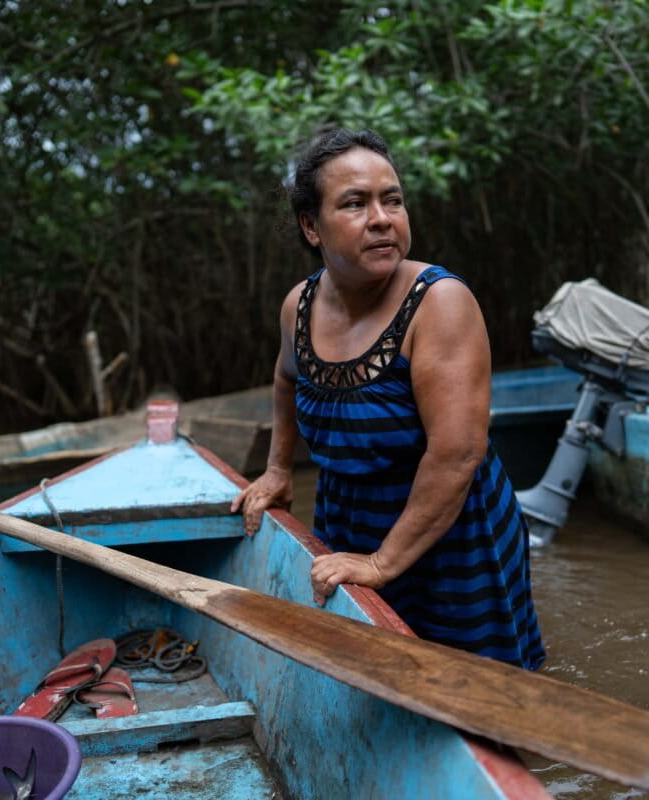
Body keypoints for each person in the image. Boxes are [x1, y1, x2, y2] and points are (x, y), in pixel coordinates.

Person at [231, 128, 545, 670]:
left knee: (468, 689)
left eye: (392, 200)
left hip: (453, 537)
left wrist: (382, 563)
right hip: (347, 519)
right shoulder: (299, 307)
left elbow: (456, 453)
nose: (382, 218)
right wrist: (278, 469)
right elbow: (286, 379)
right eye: (355, 203)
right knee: (365, 671)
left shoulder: (440, 304)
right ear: (312, 226)